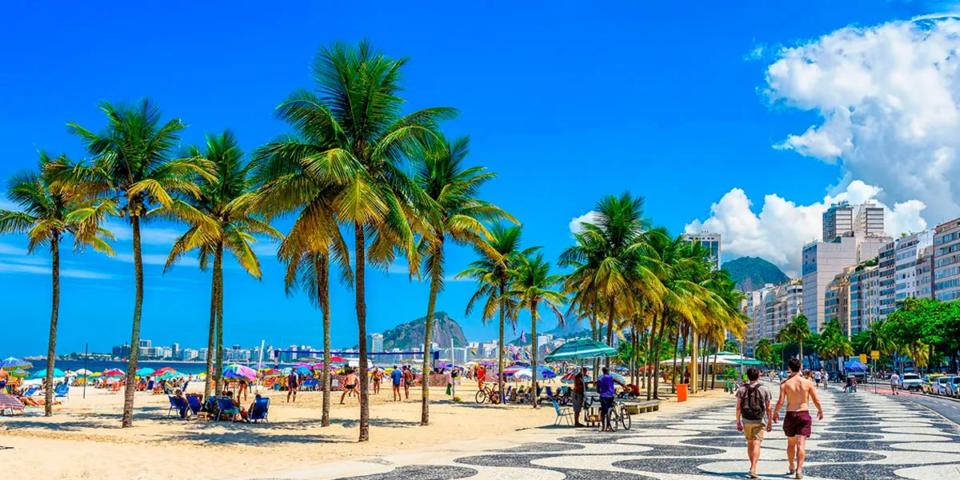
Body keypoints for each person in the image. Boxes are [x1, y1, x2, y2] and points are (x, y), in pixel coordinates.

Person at [773, 358, 824, 479]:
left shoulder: (785, 384)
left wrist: (775, 413)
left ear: (789, 368)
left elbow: (780, 401)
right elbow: (816, 399)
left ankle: (791, 465)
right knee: (801, 444)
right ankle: (799, 470)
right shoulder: (807, 383)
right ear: (800, 367)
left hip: (790, 414)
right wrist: (820, 410)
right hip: (803, 414)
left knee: (791, 444)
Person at [736, 367, 773, 479]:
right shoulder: (764, 389)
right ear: (759, 376)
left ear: (747, 376)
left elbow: (738, 408)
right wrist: (770, 421)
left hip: (746, 420)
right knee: (757, 443)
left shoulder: (741, 389)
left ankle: (751, 466)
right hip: (759, 419)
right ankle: (753, 467)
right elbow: (769, 408)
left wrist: (738, 421)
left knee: (750, 443)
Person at [596, 367, 625, 432]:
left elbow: (597, 390)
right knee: (610, 410)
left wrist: (601, 392)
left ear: (603, 371)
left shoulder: (599, 378)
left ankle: (603, 427)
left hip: (603, 396)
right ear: (608, 371)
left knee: (603, 412)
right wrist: (626, 387)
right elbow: (620, 382)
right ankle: (609, 426)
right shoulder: (611, 377)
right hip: (611, 396)